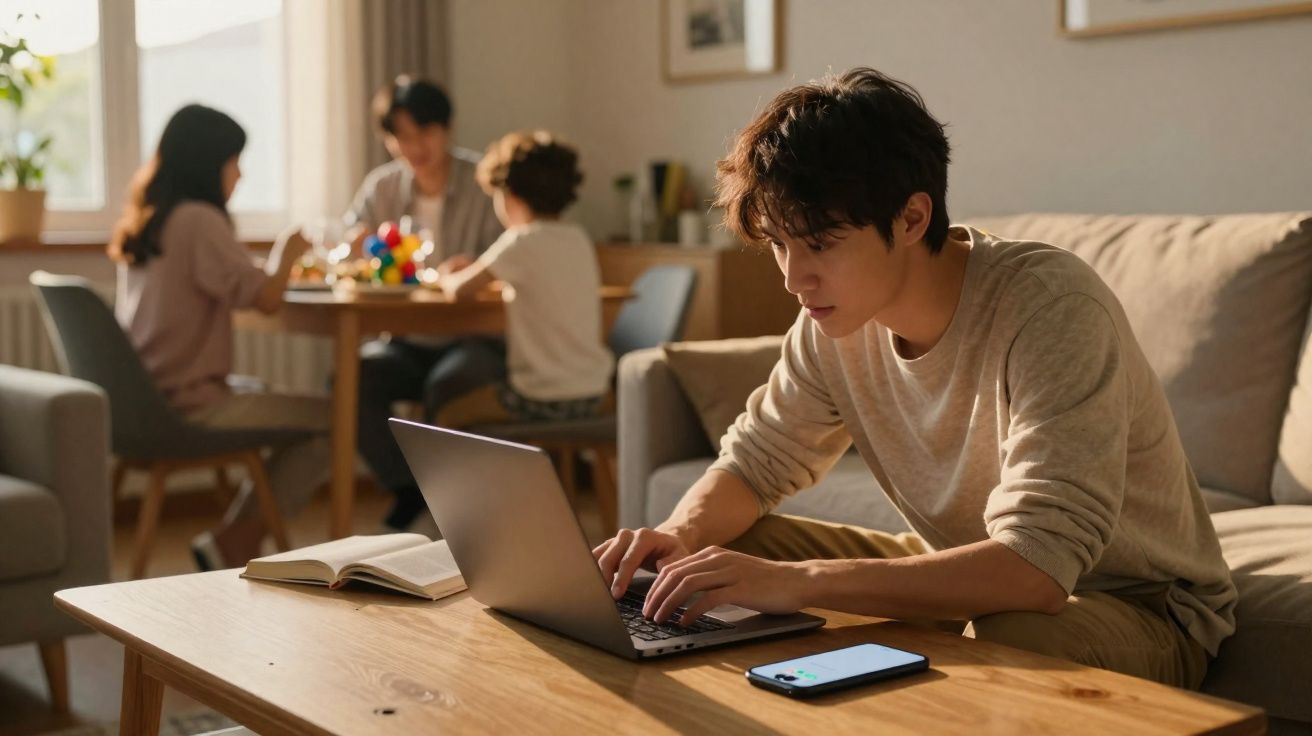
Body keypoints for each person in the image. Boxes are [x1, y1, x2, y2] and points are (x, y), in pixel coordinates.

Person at [593, 68, 1237, 689]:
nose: (794, 278)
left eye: (819, 243)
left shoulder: (1051, 307)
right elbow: (757, 462)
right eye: (780, 246)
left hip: (1139, 606)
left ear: (910, 218)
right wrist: (679, 534)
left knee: (1012, 635)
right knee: (717, 556)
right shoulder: (832, 324)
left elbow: (1037, 570)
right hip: (970, 572)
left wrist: (804, 582)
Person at [109, 104, 331, 569]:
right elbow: (266, 298)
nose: (240, 174)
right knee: (334, 417)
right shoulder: (198, 221)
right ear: (208, 163)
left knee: (269, 395)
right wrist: (288, 250)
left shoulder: (149, 220)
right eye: (235, 161)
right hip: (191, 402)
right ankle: (239, 538)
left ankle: (233, 536)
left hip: (143, 401)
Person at [346, 76, 505, 532]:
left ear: (446, 128)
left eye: (424, 133)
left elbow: (514, 255)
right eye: (401, 137)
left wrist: (477, 266)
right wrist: (356, 245)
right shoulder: (382, 188)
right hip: (407, 337)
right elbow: (350, 238)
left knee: (449, 383)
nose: (413, 147)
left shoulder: (483, 183)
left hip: (476, 336)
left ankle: (444, 509)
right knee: (354, 377)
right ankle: (412, 494)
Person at [433, 130, 613, 429]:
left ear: (509, 195)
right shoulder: (577, 237)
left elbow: (459, 291)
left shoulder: (519, 240)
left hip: (539, 398)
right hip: (596, 392)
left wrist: (443, 275)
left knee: (447, 416)